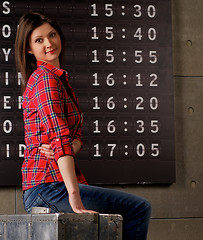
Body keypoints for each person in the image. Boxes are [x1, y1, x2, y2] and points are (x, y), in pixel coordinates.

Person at [15, 11, 151, 240]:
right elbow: (60, 137)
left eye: (52, 35)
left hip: (48, 186)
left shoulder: (56, 79)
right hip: (48, 186)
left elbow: (70, 139)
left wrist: (72, 144)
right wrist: (73, 193)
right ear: (29, 48)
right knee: (138, 208)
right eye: (39, 40)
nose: (49, 43)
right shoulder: (46, 80)